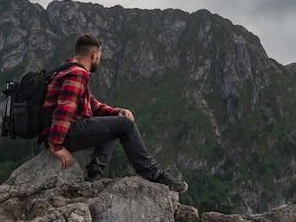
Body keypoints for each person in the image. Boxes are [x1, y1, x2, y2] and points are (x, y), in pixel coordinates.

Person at [39, 34, 188, 193]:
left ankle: (93, 175)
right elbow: (65, 109)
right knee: (125, 125)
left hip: (59, 131)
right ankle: (156, 176)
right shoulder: (77, 74)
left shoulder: (67, 71)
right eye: (100, 56)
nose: (99, 60)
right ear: (94, 55)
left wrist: (119, 112)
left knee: (117, 121)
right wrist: (56, 145)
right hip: (63, 133)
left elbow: (93, 106)